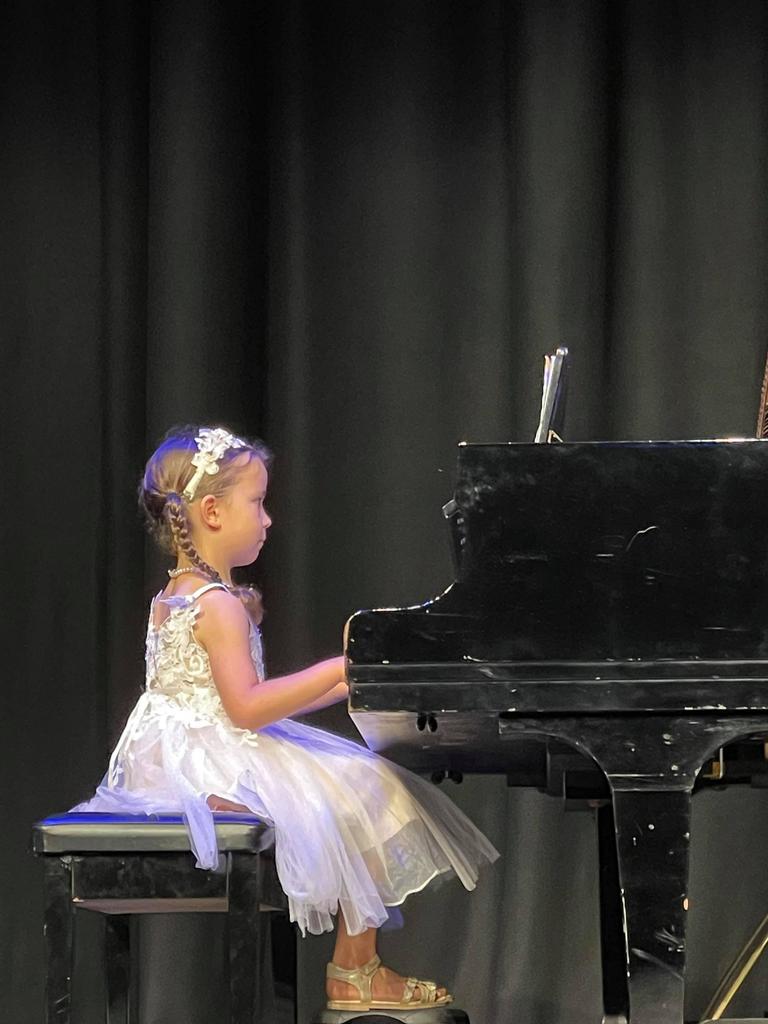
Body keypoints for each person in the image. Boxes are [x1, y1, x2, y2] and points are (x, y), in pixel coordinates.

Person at [73, 425, 499, 1012]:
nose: (268, 519)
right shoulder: (216, 605)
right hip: (209, 763)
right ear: (213, 511)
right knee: (374, 789)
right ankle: (356, 966)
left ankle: (358, 966)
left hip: (169, 755)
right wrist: (337, 672)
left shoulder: (177, 594)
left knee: (354, 789)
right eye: (258, 502)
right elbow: (245, 707)